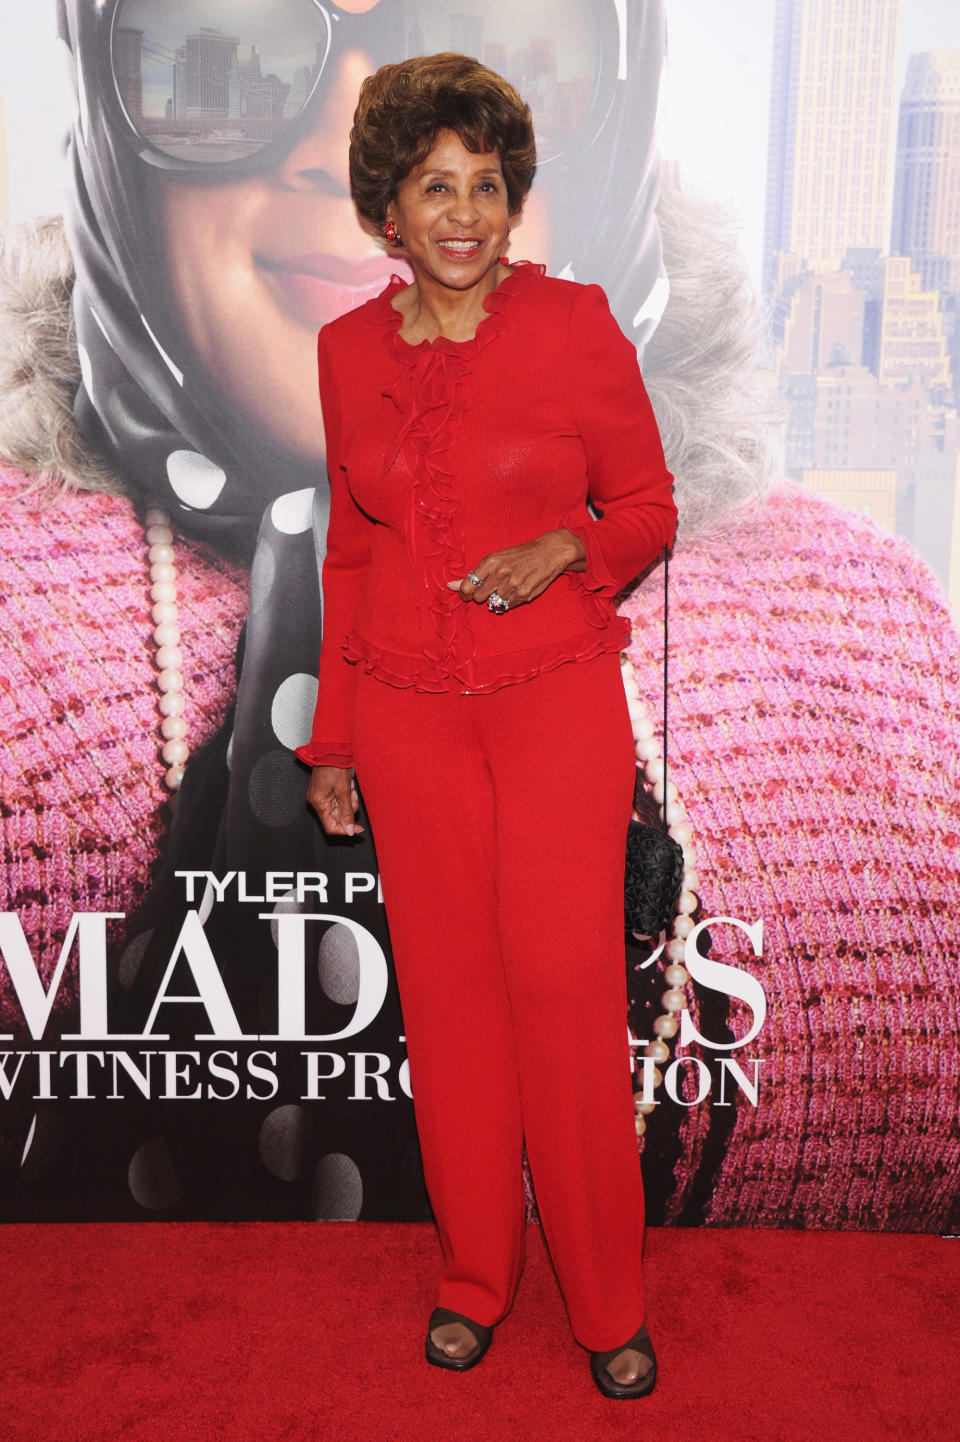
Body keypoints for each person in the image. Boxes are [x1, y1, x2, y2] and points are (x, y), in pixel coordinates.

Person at [2, 0, 959, 1238]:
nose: (365, 155)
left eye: (482, 45)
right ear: (99, 110)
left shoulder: (885, 659)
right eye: (225, 51)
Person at [294, 52, 677, 1398]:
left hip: (557, 709)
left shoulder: (577, 327)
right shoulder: (345, 353)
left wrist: (562, 549)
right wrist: (334, 736)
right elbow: (349, 552)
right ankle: (473, 1275)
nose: (464, 211)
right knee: (450, 1010)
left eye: (488, 185)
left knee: (565, 997)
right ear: (385, 211)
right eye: (432, 185)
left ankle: (608, 1297)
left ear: (515, 202)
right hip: (405, 718)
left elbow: (646, 509)